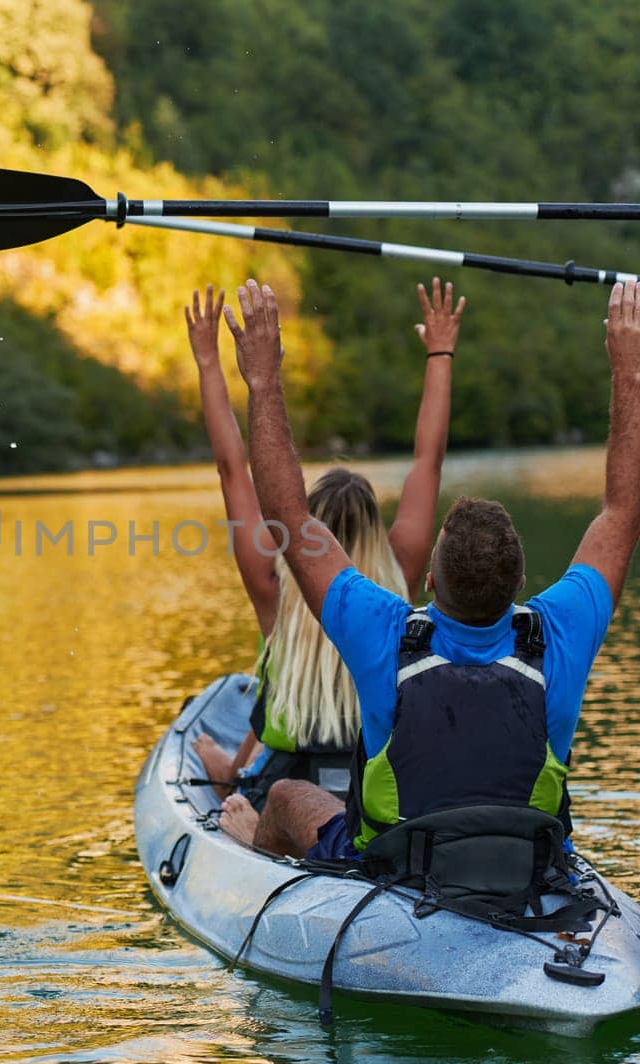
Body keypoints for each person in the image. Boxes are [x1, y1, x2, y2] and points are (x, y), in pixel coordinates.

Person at [217, 277, 640, 860]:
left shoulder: (382, 630)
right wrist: (630, 374)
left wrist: (263, 379)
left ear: (429, 581)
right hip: (527, 865)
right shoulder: (559, 633)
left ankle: (250, 843)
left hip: (396, 867)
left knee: (286, 795)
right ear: (520, 588)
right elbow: (623, 512)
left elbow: (287, 512)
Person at [184, 281, 462, 837]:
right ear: (375, 531)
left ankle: (232, 783)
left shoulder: (274, 580)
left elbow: (232, 469)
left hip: (287, 788)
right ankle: (232, 772)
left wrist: (210, 362)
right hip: (375, 783)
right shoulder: (401, 573)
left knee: (253, 768)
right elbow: (427, 461)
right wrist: (440, 353)